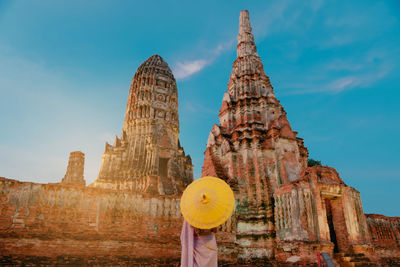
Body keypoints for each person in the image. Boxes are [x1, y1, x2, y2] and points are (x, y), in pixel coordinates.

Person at [179, 176, 235, 267]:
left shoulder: (192, 213)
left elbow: (190, 233)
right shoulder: (212, 211)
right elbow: (214, 230)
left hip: (199, 242)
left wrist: (199, 229)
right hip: (209, 242)